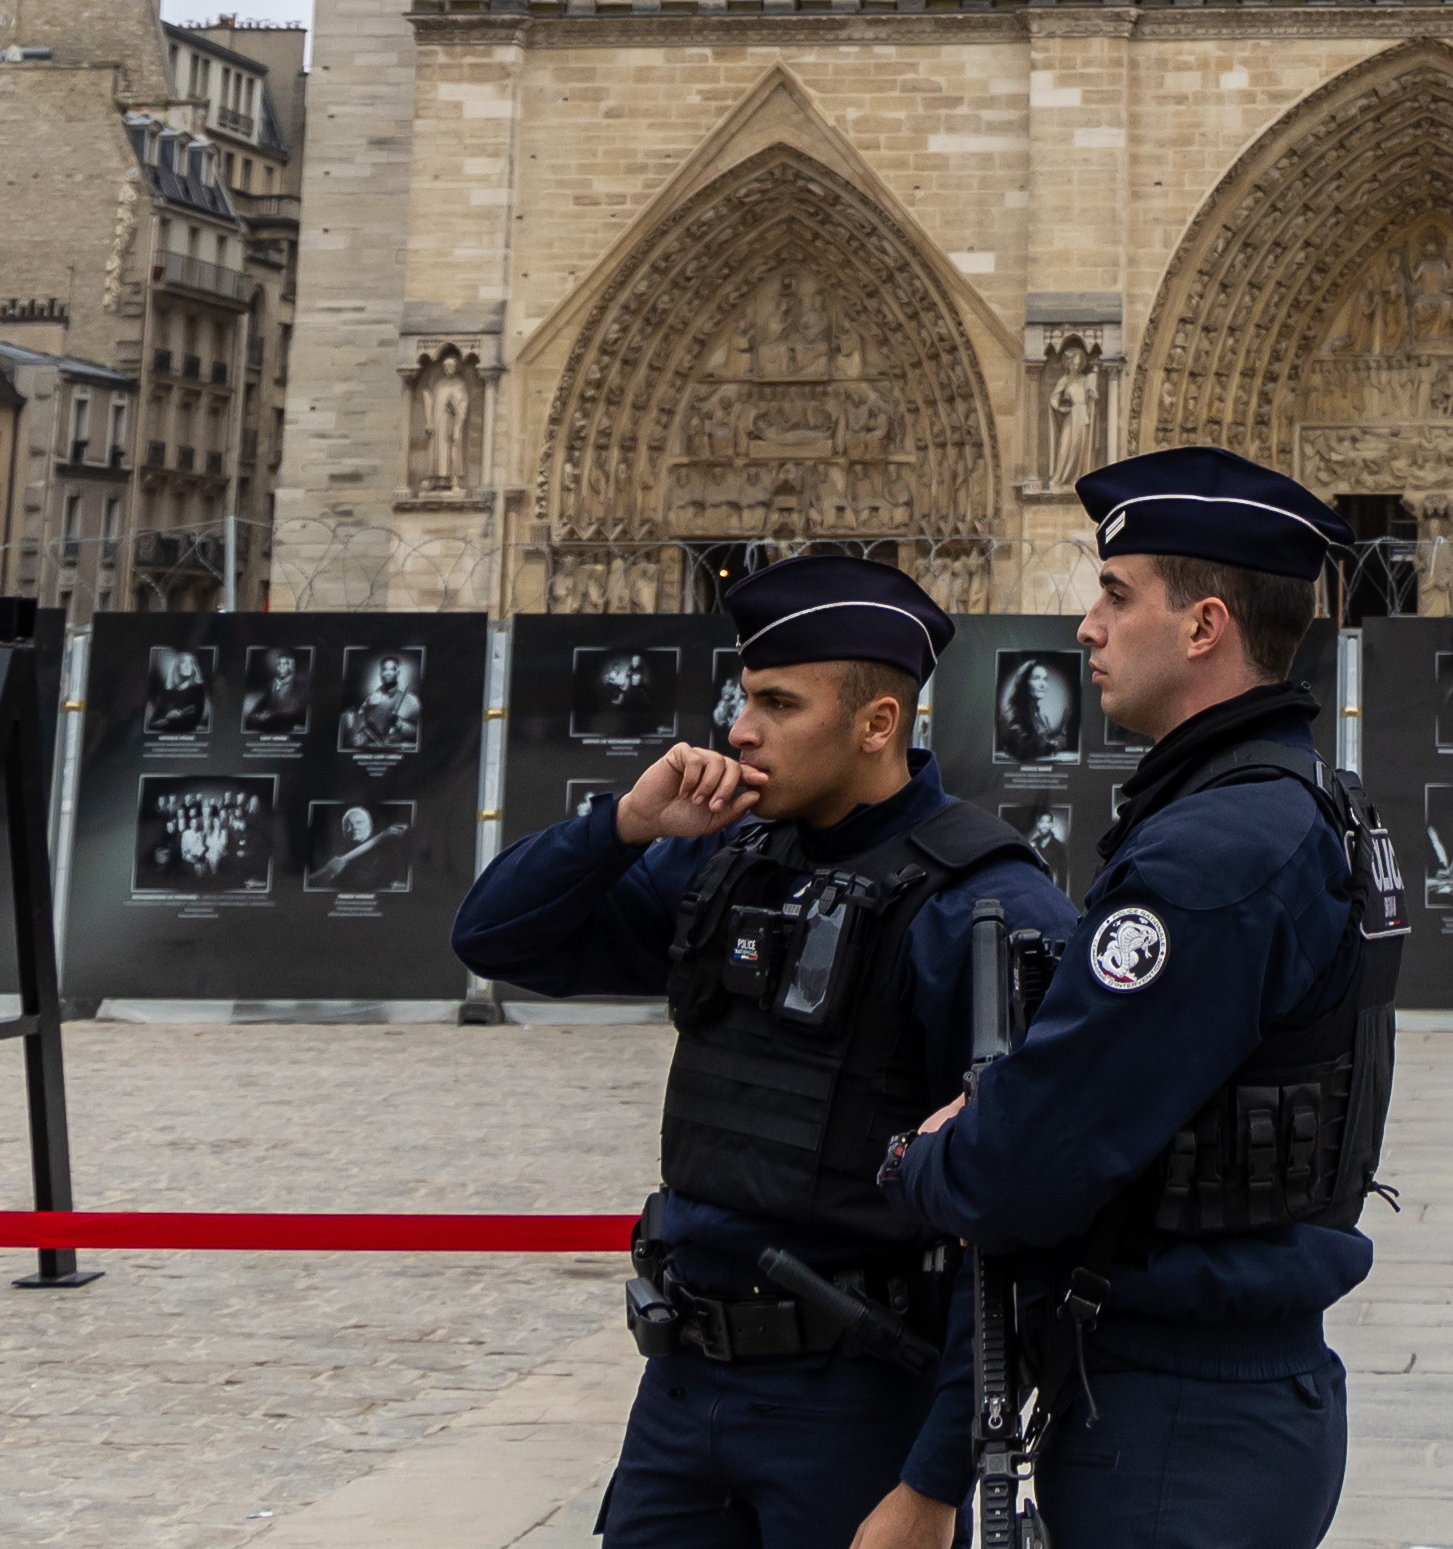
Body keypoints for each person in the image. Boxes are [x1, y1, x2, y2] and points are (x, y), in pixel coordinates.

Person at [450, 555, 1076, 1549]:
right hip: (684, 1384)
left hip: (854, 1403)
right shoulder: (724, 858)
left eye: (778, 703)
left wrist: (934, 1480)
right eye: (745, 699)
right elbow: (494, 938)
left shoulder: (982, 905)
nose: (739, 730)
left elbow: (1025, 1221)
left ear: (877, 723)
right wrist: (621, 826)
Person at [884, 447, 1404, 1549]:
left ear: (1205, 624)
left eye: (1117, 595)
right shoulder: (1283, 805)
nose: (1086, 626)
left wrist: (925, 1157)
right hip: (1225, 1394)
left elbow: (1040, 1151)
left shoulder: (1214, 849)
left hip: (1181, 1416)